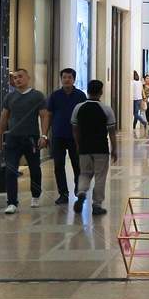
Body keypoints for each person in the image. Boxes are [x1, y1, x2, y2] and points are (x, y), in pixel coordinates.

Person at [0, 68, 48, 214]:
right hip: (13, 139)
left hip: (31, 138)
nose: (17, 79)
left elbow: (44, 116)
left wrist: (44, 136)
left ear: (28, 78)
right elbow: (4, 117)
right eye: (15, 77)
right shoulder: (10, 97)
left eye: (20, 77)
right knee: (10, 170)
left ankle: (35, 195)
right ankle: (12, 202)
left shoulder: (37, 96)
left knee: (35, 168)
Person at [71, 78, 120, 216]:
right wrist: (114, 149)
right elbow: (111, 132)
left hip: (84, 148)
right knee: (100, 176)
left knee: (84, 174)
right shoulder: (106, 109)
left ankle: (81, 192)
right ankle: (97, 205)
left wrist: (78, 144)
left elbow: (75, 129)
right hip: (101, 148)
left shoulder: (78, 108)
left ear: (88, 91)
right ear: (101, 92)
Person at [44, 68, 86, 205]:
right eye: (64, 77)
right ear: (61, 79)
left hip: (76, 137)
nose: (66, 80)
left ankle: (79, 190)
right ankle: (63, 193)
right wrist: (44, 134)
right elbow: (48, 115)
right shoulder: (55, 96)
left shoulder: (80, 96)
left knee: (77, 165)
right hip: (58, 135)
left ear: (74, 79)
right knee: (58, 165)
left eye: (69, 77)